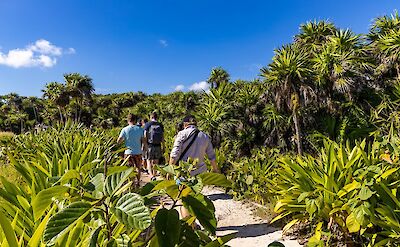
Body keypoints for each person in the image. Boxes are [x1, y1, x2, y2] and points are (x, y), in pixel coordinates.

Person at [117, 114, 144, 186]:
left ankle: (131, 183)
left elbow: (119, 141)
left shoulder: (125, 129)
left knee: (129, 169)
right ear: (135, 120)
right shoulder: (140, 129)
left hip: (128, 152)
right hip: (138, 151)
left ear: (128, 120)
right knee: (138, 167)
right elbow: (143, 141)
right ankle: (138, 182)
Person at [144, 112, 164, 180]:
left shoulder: (148, 124)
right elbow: (162, 137)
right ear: (157, 117)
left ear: (151, 117)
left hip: (150, 145)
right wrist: (163, 146)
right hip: (158, 145)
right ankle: (155, 174)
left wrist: (145, 145)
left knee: (149, 160)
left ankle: (151, 175)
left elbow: (145, 135)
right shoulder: (160, 125)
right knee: (156, 161)